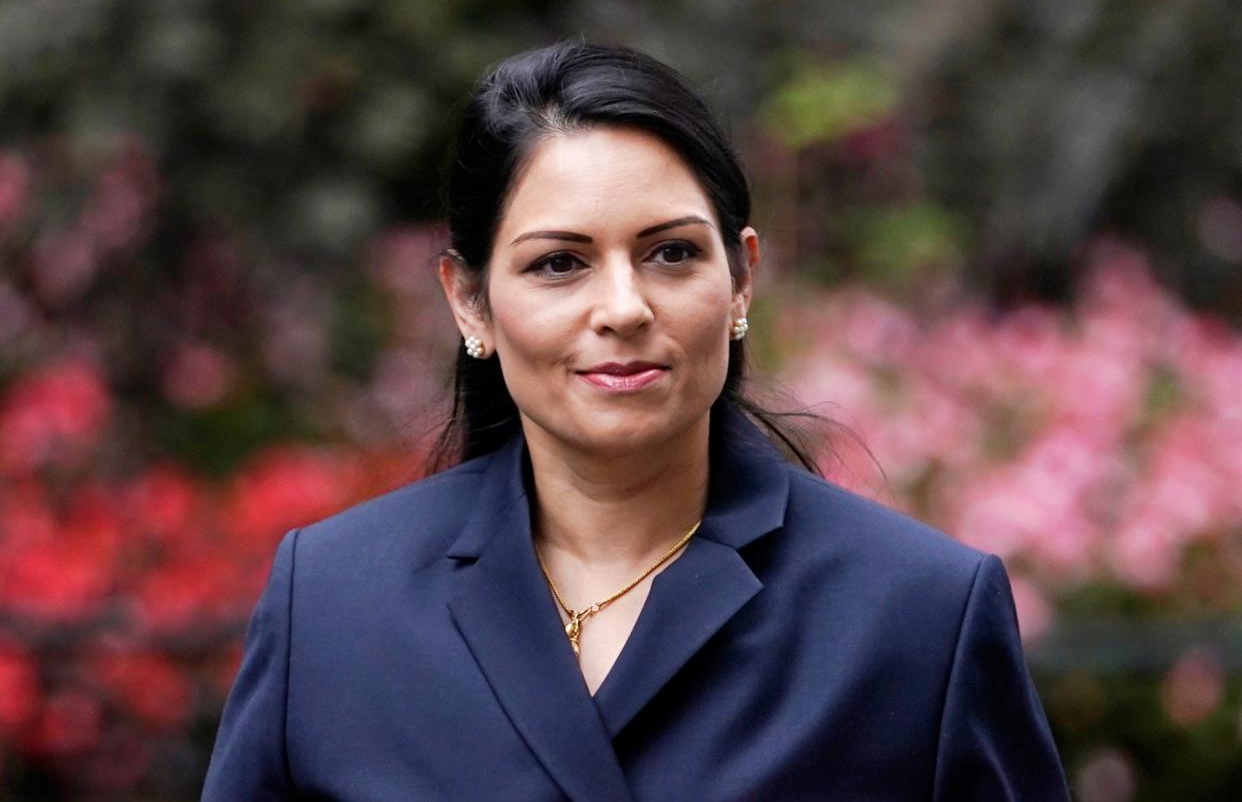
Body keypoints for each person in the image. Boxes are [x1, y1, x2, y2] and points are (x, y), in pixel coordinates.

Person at [202, 40, 1070, 800]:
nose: (623, 306)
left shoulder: (916, 616)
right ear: (469, 302)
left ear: (741, 279)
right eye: (559, 264)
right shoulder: (334, 604)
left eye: (671, 253)